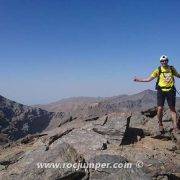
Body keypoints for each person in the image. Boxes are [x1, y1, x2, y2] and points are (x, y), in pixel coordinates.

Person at [134, 55, 180, 134]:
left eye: (165, 60)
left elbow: (178, 75)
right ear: (160, 62)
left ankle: (175, 127)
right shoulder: (158, 70)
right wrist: (139, 80)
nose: (164, 62)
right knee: (160, 108)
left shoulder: (172, 69)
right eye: (162, 61)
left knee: (172, 109)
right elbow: (149, 79)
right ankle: (160, 123)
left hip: (171, 90)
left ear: (167, 61)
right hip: (161, 90)